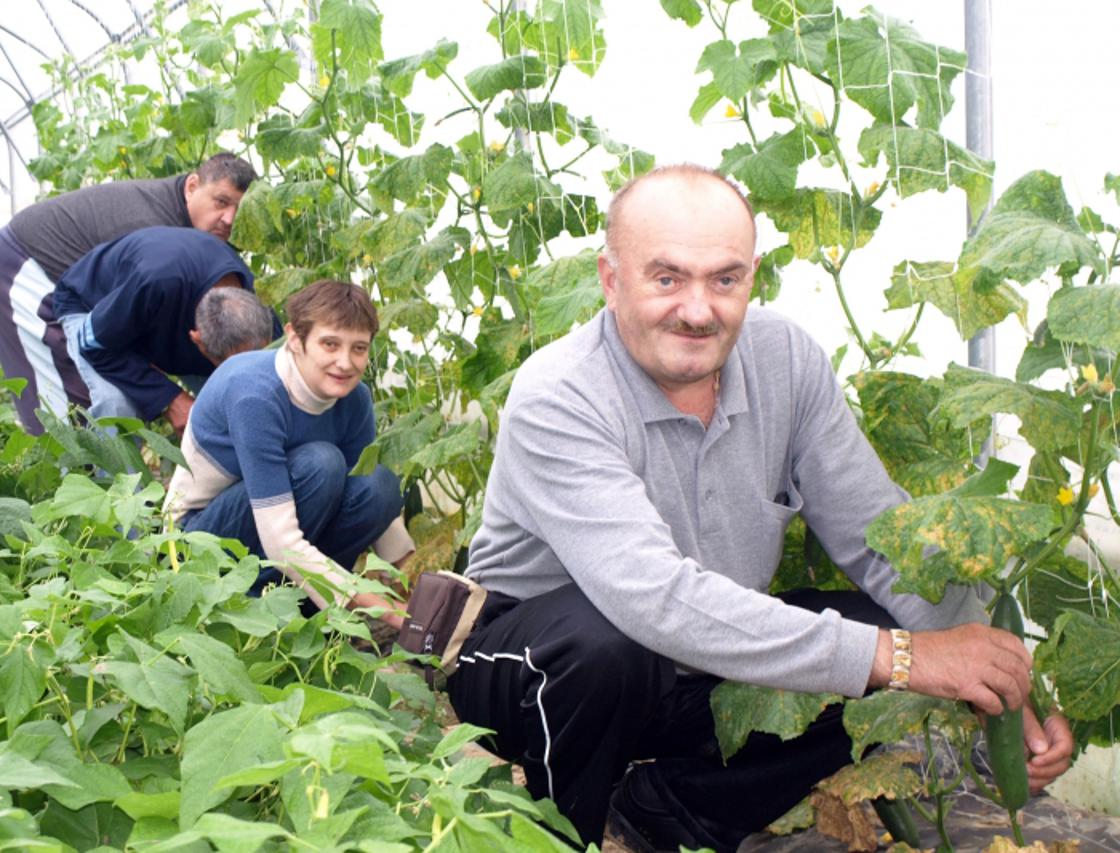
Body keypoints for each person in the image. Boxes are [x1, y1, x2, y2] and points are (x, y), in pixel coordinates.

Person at [445, 165, 1074, 852]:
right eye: (666, 278)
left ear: (753, 276)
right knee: (613, 646)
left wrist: (1003, 685)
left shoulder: (786, 360)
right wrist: (902, 657)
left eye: (724, 278)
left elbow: (878, 537)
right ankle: (560, 829)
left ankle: (670, 810)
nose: (697, 307)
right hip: (540, 669)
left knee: (892, 626)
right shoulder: (560, 393)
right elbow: (654, 598)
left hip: (699, 665)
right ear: (610, 278)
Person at [164, 279, 413, 623]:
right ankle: (260, 615)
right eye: (330, 344)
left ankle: (315, 616)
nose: (345, 362)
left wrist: (410, 581)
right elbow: (281, 541)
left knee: (379, 486)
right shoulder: (255, 395)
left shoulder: (354, 399)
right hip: (197, 541)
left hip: (277, 527)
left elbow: (368, 496)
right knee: (321, 465)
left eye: (358, 348)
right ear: (296, 339)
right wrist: (394, 615)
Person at [0, 152, 256, 433]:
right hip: (24, 265)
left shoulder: (189, 245)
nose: (229, 219)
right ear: (192, 186)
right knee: (76, 404)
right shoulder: (153, 238)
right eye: (221, 202)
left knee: (116, 396)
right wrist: (171, 399)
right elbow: (112, 341)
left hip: (90, 293)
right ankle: (63, 475)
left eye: (239, 209)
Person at [54, 225, 263, 432]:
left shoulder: (256, 308)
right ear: (197, 340)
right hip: (94, 312)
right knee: (117, 408)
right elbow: (92, 343)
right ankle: (115, 467)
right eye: (226, 363)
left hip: (152, 313)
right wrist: (171, 400)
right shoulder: (155, 282)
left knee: (246, 403)